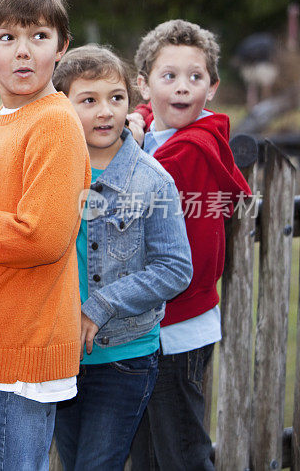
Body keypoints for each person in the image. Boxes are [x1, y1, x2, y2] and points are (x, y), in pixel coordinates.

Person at [0, 0, 91, 470]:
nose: (24, 52)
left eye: (39, 36)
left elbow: (42, 237)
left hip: (24, 349)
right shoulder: (2, 120)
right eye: (7, 37)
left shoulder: (54, 121)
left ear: (62, 46)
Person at [50, 45, 193, 470]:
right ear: (62, 106)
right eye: (88, 100)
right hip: (59, 356)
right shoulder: (50, 175)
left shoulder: (153, 180)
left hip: (124, 357)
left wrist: (100, 306)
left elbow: (175, 267)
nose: (105, 112)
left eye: (116, 98)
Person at [128, 19, 251, 470]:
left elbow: (195, 261)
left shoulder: (192, 153)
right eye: (169, 76)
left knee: (181, 451)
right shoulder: (150, 133)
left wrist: (132, 145)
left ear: (213, 86)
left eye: (195, 77)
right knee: (146, 453)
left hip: (174, 328)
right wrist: (137, 124)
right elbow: (145, 120)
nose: (182, 88)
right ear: (143, 84)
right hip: (148, 328)